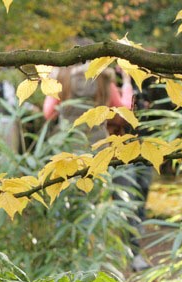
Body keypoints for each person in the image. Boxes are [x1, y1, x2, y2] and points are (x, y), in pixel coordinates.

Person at [43, 60, 149, 270]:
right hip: (99, 148)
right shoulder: (103, 77)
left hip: (67, 150)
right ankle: (134, 256)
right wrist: (127, 84)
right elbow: (123, 110)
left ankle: (69, 258)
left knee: (67, 200)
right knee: (123, 196)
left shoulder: (60, 78)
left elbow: (48, 112)